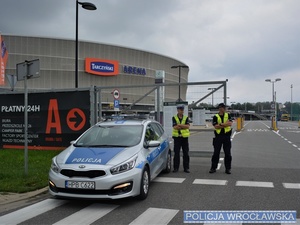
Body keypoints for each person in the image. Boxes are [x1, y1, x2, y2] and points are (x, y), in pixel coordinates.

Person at [209, 103, 233, 174]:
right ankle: (213, 168)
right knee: (216, 153)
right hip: (218, 136)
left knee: (228, 153)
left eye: (224, 107)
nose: (224, 109)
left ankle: (228, 168)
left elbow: (230, 124)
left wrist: (221, 124)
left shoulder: (228, 115)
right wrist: (224, 124)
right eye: (223, 107)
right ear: (220, 108)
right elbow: (216, 126)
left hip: (226, 136)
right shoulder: (215, 116)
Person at [172, 104, 190, 173]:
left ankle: (186, 168)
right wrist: (183, 126)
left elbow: (187, 126)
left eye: (183, 110)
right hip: (177, 138)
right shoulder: (174, 117)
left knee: (186, 153)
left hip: (184, 137)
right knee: (176, 153)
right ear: (178, 110)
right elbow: (175, 127)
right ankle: (176, 168)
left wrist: (179, 125)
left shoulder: (186, 117)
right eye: (181, 110)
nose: (182, 111)